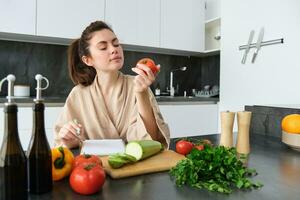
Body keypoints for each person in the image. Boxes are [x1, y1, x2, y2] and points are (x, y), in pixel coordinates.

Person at [54, 21, 170, 149]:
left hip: (135, 165)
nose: (114, 49)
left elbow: (151, 140)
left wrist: (141, 93)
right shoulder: (78, 94)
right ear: (88, 60)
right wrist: (69, 139)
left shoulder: (137, 85)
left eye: (116, 44)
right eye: (103, 47)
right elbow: (61, 144)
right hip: (93, 166)